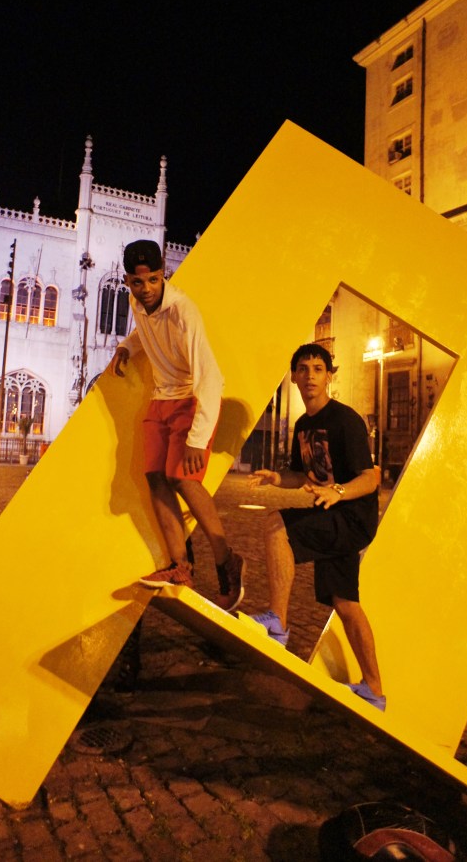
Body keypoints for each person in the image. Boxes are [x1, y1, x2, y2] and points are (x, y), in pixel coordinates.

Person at [109, 239, 245, 611]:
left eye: (153, 280)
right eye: (138, 283)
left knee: (183, 478)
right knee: (155, 477)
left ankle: (225, 559)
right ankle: (179, 566)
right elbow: (145, 331)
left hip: (189, 398)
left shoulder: (184, 311)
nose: (147, 289)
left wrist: (197, 440)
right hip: (160, 398)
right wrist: (127, 347)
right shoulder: (138, 304)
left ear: (163, 274)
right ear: (127, 282)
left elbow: (211, 379)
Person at [248, 343, 385, 711]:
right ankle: (374, 691)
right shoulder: (303, 425)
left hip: (352, 517)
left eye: (318, 368)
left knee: (278, 526)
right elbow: (303, 474)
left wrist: (338, 492)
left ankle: (277, 622)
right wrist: (277, 476)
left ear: (329, 375)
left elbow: (370, 479)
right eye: (303, 368)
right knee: (346, 603)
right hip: (333, 514)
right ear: (293, 376)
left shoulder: (346, 420)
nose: (310, 375)